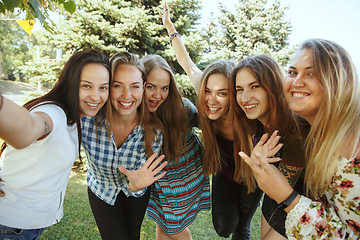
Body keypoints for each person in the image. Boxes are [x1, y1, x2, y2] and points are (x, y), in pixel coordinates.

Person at [240, 39, 360, 239]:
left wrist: (287, 197)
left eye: (311, 73)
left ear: (339, 79)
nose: (296, 82)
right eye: (293, 72)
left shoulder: (353, 146)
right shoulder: (318, 134)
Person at [162, 3, 263, 239]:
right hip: (223, 172)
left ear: (235, 93)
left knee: (242, 228)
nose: (212, 99)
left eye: (223, 93)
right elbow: (185, 61)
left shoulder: (249, 115)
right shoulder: (206, 100)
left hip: (252, 176)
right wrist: (170, 27)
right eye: (208, 90)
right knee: (224, 228)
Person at [0, 49, 111, 239]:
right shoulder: (54, 114)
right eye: (86, 86)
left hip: (22, 224)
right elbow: (29, 128)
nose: (96, 96)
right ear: (71, 83)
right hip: (11, 226)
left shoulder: (75, 117)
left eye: (103, 87)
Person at [81, 51, 168, 240]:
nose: (127, 95)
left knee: (132, 235)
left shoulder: (154, 132)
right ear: (107, 86)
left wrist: (137, 185)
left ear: (143, 88)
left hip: (135, 194)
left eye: (134, 86)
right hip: (101, 190)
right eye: (117, 85)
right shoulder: (87, 122)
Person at [231, 54, 310, 239]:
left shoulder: (296, 131)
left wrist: (258, 166)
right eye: (239, 89)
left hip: (298, 206)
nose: (244, 97)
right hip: (271, 202)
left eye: (255, 86)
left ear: (273, 86)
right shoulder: (256, 122)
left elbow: (278, 187)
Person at [140, 54, 211, 240]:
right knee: (163, 226)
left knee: (173, 229)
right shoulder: (135, 115)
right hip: (162, 185)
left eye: (164, 88)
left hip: (185, 179)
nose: (158, 95)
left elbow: (210, 126)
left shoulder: (182, 108)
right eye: (150, 87)